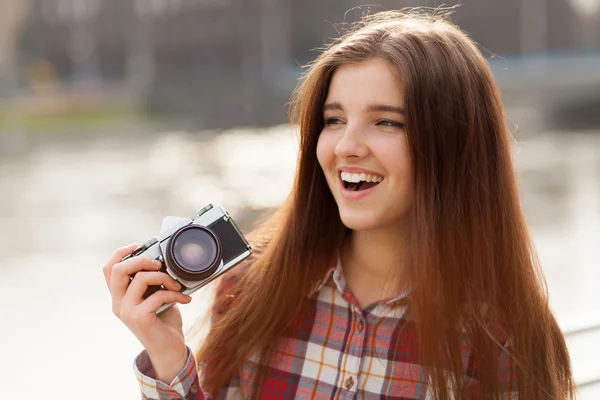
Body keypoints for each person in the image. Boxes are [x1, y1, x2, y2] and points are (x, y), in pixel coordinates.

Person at [102, 9, 575, 400]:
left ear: (455, 143)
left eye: (387, 123)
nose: (346, 146)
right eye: (333, 120)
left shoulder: (504, 339)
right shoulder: (250, 291)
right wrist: (169, 359)